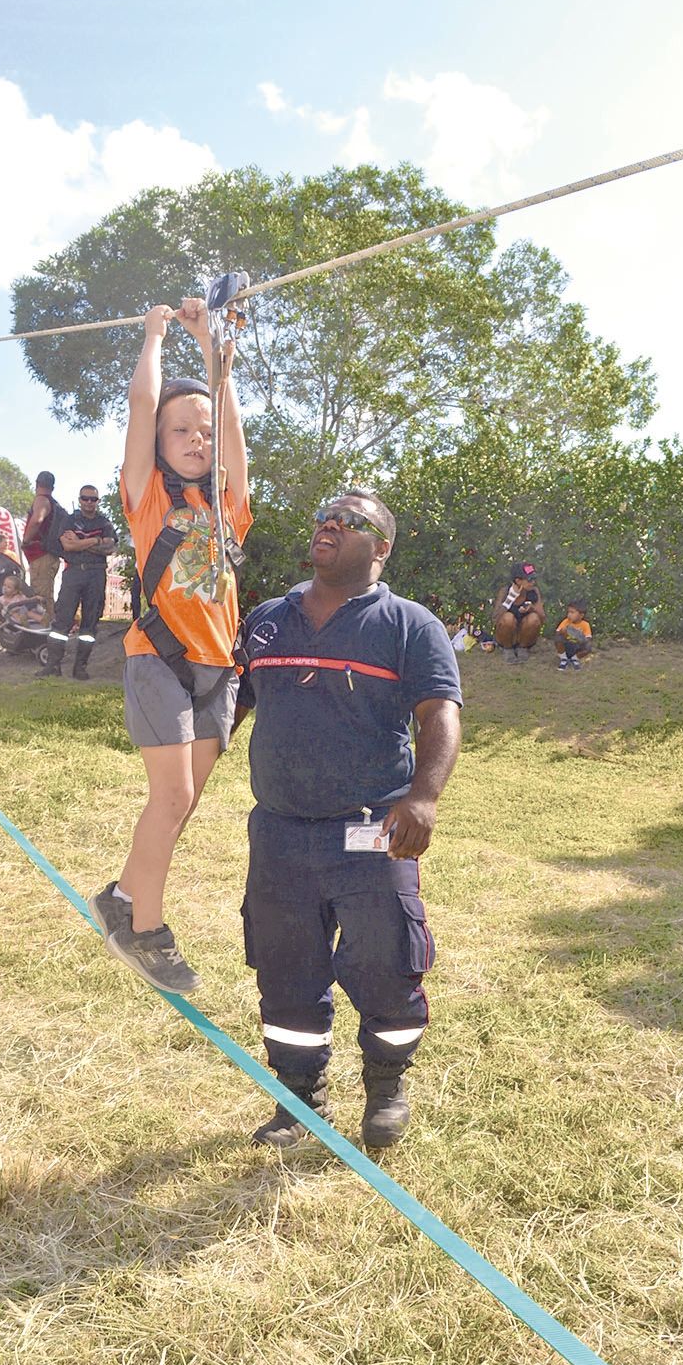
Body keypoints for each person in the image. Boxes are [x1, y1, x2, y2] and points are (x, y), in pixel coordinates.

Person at [236, 489, 462, 1150]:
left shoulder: (408, 625)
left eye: (350, 520)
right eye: (323, 516)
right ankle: (299, 1103)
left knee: (387, 964)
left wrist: (423, 796)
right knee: (285, 971)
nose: (329, 524)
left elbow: (439, 713)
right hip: (278, 830)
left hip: (371, 831)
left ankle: (387, 1085)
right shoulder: (267, 619)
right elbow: (229, 707)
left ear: (381, 548)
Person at [87, 298, 251, 995]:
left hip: (219, 671)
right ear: (157, 441)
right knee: (172, 794)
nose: (195, 437)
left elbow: (231, 425)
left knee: (180, 807)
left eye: (202, 431)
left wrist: (214, 356)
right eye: (179, 429)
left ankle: (121, 896)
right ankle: (145, 933)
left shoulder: (228, 505)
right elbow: (141, 403)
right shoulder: (145, 495)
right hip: (157, 657)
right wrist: (154, 335)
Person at [38, 486, 118, 680]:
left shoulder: (104, 521)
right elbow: (67, 545)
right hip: (73, 573)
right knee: (62, 621)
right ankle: (52, 666)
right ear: (80, 499)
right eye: (85, 498)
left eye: (93, 499)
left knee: (90, 623)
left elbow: (111, 547)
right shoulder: (70, 520)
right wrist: (97, 541)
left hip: (96, 575)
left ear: (98, 501)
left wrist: (82, 541)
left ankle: (80, 668)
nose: (89, 502)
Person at [22, 471, 60, 620]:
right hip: (50, 555)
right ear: (53, 486)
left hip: (41, 555)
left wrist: (26, 540)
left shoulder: (42, 500)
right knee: (47, 596)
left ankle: (44, 634)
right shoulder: (54, 503)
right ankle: (48, 632)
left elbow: (37, 519)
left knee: (41, 597)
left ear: (37, 484)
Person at [493, 561, 544, 662]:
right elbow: (495, 618)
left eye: (534, 579)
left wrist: (532, 608)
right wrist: (510, 599)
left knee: (534, 618)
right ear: (518, 580)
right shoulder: (505, 591)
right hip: (506, 635)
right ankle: (507, 649)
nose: (533, 582)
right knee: (508, 618)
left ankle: (522, 648)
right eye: (529, 580)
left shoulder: (533, 591)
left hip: (524, 635)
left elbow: (542, 617)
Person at [554, 602, 593, 669]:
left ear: (581, 615)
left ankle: (574, 658)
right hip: (566, 645)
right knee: (558, 638)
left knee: (588, 647)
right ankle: (564, 659)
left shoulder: (585, 624)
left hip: (577, 646)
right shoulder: (565, 622)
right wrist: (563, 632)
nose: (569, 614)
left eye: (572, 612)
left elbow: (588, 638)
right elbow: (557, 633)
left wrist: (580, 638)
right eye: (568, 612)